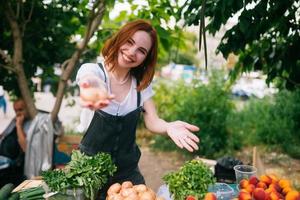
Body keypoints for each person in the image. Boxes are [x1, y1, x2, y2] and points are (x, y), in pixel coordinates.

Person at [76, 19, 200, 199]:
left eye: (141, 51)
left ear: (146, 58)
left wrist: (168, 127)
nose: (131, 52)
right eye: (129, 42)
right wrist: (93, 90)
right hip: (89, 175)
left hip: (128, 175)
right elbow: (89, 81)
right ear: (120, 38)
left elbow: (153, 121)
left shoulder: (141, 85)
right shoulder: (94, 71)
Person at [0, 99, 31, 187]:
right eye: (16, 110)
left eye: (20, 110)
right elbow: (3, 136)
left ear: (27, 108)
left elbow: (25, 147)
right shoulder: (14, 121)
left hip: (14, 168)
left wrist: (19, 126)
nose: (18, 113)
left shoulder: (29, 124)